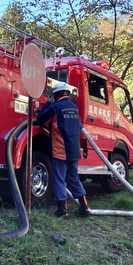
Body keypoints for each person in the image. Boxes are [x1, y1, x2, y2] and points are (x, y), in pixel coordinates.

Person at [36, 81, 91, 217]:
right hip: (73, 150)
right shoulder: (74, 107)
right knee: (73, 178)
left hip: (60, 150)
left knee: (59, 179)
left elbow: (41, 118)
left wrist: (48, 103)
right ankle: (85, 207)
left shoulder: (55, 107)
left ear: (55, 95)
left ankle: (62, 210)